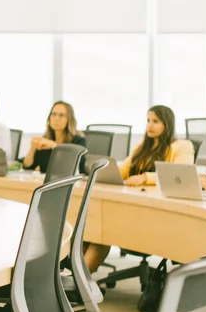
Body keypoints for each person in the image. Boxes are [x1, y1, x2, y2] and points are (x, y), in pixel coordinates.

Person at [83, 105, 194, 273]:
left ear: (167, 124)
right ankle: (75, 278)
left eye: (155, 121)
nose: (150, 125)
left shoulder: (181, 146)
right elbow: (124, 170)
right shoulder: (142, 147)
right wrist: (102, 171)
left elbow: (180, 176)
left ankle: (78, 283)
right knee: (92, 229)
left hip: (158, 213)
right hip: (132, 206)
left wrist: (145, 177)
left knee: (103, 230)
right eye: (148, 121)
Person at [22, 101, 86, 173]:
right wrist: (32, 148)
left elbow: (77, 168)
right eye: (53, 114)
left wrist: (54, 146)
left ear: (69, 119)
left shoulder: (78, 141)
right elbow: (27, 166)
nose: (56, 118)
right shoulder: (45, 140)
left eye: (61, 115)